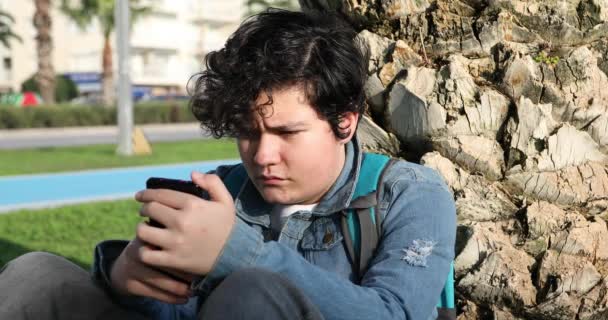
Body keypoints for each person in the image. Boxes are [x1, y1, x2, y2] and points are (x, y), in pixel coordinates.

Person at [0, 8, 456, 320]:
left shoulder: (410, 194)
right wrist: (128, 280)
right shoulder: (224, 192)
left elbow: (396, 313)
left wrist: (239, 253)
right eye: (247, 131)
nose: (261, 156)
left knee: (252, 291)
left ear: (345, 122)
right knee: (37, 273)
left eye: (286, 133)